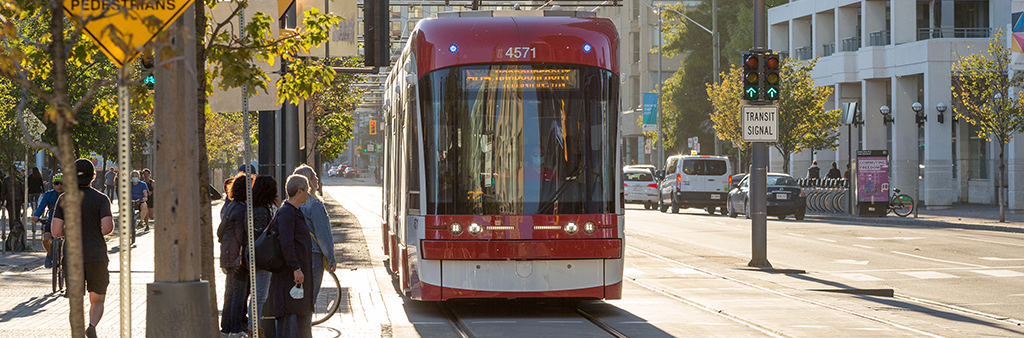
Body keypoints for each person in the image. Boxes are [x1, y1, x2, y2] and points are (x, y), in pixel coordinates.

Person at [51, 159, 114, 338]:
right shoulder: (102, 199)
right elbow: (108, 228)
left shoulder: (63, 199)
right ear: (93, 176)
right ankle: (92, 326)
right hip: (96, 255)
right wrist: (95, 230)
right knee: (98, 298)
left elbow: (55, 232)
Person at [271, 175, 314, 338]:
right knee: (289, 319)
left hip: (297, 275)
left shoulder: (294, 211)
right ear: (299, 192)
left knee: (300, 315)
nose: (308, 194)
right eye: (307, 191)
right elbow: (286, 244)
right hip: (289, 276)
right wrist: (296, 268)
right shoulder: (287, 213)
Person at [292, 165, 336, 305]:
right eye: (314, 176)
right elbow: (322, 234)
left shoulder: (292, 204)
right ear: (309, 181)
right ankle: (305, 325)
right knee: (311, 295)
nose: (317, 178)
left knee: (298, 296)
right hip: (314, 254)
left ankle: (298, 325)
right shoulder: (314, 204)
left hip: (297, 253)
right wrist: (330, 258)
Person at [218, 173, 250, 337]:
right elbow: (242, 236)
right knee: (239, 293)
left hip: (228, 254)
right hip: (238, 256)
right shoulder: (242, 209)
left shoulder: (231, 206)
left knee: (230, 293)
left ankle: (226, 328)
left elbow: (221, 232)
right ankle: (236, 329)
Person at [249, 175, 279, 335]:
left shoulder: (258, 208)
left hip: (258, 257)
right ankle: (254, 329)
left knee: (259, 295)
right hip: (261, 258)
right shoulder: (261, 211)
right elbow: (261, 236)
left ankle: (253, 328)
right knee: (259, 296)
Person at [33, 173, 64, 268]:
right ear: (53, 185)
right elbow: (41, 207)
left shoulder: (70, 195)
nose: (59, 185)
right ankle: (51, 254)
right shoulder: (48, 195)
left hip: (66, 223)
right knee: (46, 239)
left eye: (62, 183)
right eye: (57, 183)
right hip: (51, 221)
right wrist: (36, 216)